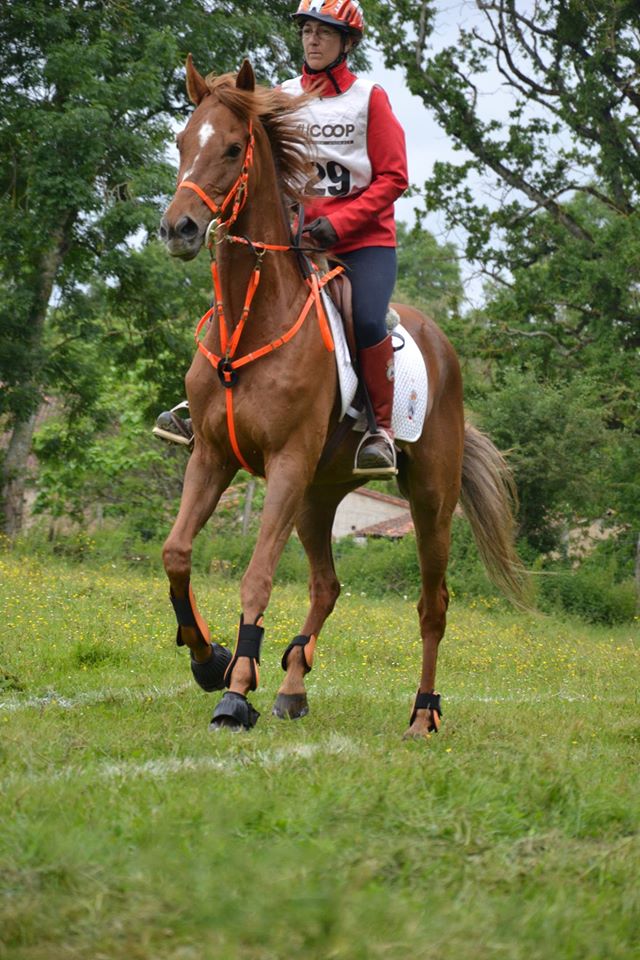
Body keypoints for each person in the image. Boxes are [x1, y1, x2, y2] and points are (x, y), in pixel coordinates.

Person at [154, 0, 408, 476]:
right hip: (295, 238)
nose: (312, 40)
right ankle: (201, 403)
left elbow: (394, 178)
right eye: (307, 31)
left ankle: (380, 430)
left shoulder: (370, 98)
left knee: (368, 317)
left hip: (360, 242)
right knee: (237, 295)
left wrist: (339, 224)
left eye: (324, 33)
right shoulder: (280, 97)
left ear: (347, 43)